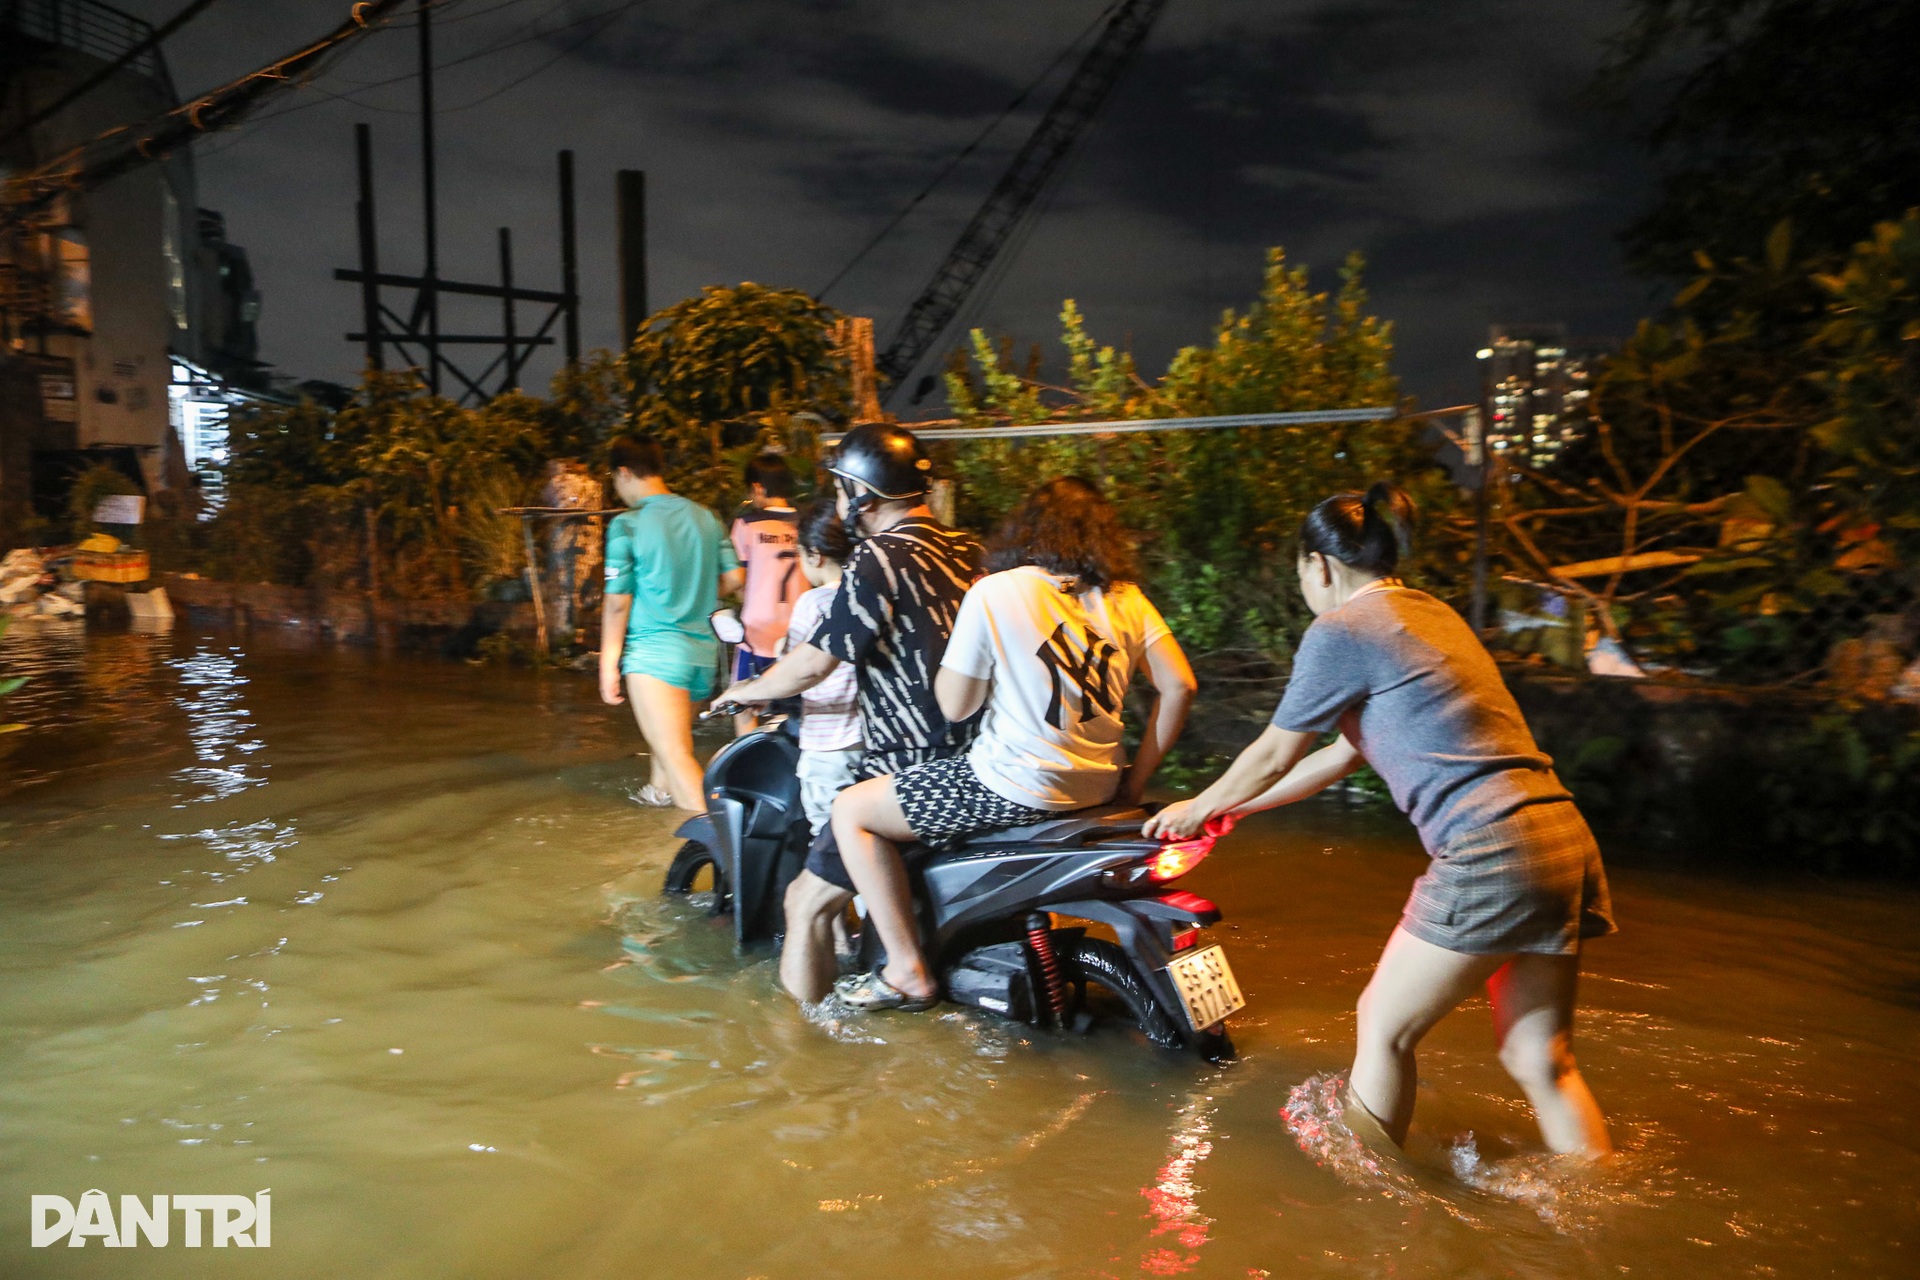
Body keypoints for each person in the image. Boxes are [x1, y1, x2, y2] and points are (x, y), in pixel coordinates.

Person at [1143, 482, 1615, 1158]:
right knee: (1541, 1060)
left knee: (1383, 1025)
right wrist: (1232, 808)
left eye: (1301, 571)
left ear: (1321, 566)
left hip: (1490, 851)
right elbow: (1340, 756)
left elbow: (1277, 750)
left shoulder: (1342, 629)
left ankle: (1369, 1206)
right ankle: (1595, 1207)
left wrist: (1196, 803)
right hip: (1560, 841)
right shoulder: (1430, 614)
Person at [830, 477, 1198, 1011]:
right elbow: (1180, 686)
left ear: (1027, 530)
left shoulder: (998, 590)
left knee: (851, 810)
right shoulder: (1128, 598)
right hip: (1101, 790)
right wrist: (1133, 782)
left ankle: (906, 969)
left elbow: (955, 706)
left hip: (1011, 785)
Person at [716, 423, 981, 1003]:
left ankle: (798, 1058)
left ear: (862, 494)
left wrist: (746, 690)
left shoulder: (878, 558)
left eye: (841, 489)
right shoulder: (966, 548)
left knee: (803, 904)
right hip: (977, 758)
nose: (839, 503)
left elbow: (814, 663)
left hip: (909, 770)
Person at [598, 434, 746, 811]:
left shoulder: (627, 525)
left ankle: (724, 855)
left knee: (679, 758)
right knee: (667, 749)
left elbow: (617, 602)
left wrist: (607, 662)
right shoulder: (706, 517)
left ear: (625, 472)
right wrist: (691, 588)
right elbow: (734, 580)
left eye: (615, 480)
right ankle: (657, 800)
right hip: (699, 655)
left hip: (654, 654)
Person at [786, 499, 864, 837]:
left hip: (830, 742)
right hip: (874, 739)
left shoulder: (814, 601)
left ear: (814, 554)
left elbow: (793, 669)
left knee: (829, 837)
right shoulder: (871, 593)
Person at [728, 453, 804, 736]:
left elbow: (740, 577)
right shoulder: (804, 524)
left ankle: (745, 761)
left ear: (758, 488)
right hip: (800, 631)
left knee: (743, 699)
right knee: (798, 700)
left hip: (757, 631)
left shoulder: (747, 524)